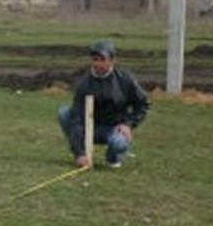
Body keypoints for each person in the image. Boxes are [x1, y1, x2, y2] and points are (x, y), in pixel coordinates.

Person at [58, 39, 150, 169]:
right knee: (64, 113)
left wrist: (128, 124)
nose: (98, 64)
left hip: (114, 128)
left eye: (102, 59)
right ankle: (83, 155)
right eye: (95, 59)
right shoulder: (84, 83)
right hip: (90, 128)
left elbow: (142, 104)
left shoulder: (125, 79)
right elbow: (77, 118)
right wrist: (79, 153)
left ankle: (113, 158)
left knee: (118, 142)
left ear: (112, 60)